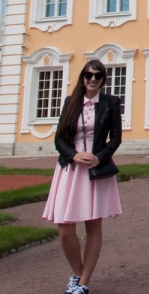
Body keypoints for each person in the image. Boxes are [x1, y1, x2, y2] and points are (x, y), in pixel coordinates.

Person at [43, 60, 122, 294]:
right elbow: (59, 138)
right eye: (88, 75)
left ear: (103, 79)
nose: (92, 79)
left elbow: (116, 138)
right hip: (70, 168)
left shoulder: (110, 103)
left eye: (97, 75)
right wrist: (74, 155)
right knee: (65, 229)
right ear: (83, 77)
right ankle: (77, 275)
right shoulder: (71, 102)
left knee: (93, 226)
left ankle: (84, 283)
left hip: (94, 169)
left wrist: (100, 158)